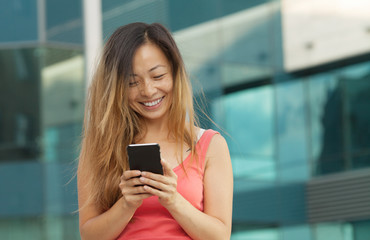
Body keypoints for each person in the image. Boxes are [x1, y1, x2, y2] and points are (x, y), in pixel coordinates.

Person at [77, 22, 233, 240]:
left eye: (158, 76)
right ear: (116, 87)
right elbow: (89, 236)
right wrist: (127, 203)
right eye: (132, 83)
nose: (148, 91)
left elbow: (220, 236)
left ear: (175, 74)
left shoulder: (211, 145)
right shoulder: (99, 146)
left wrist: (173, 200)